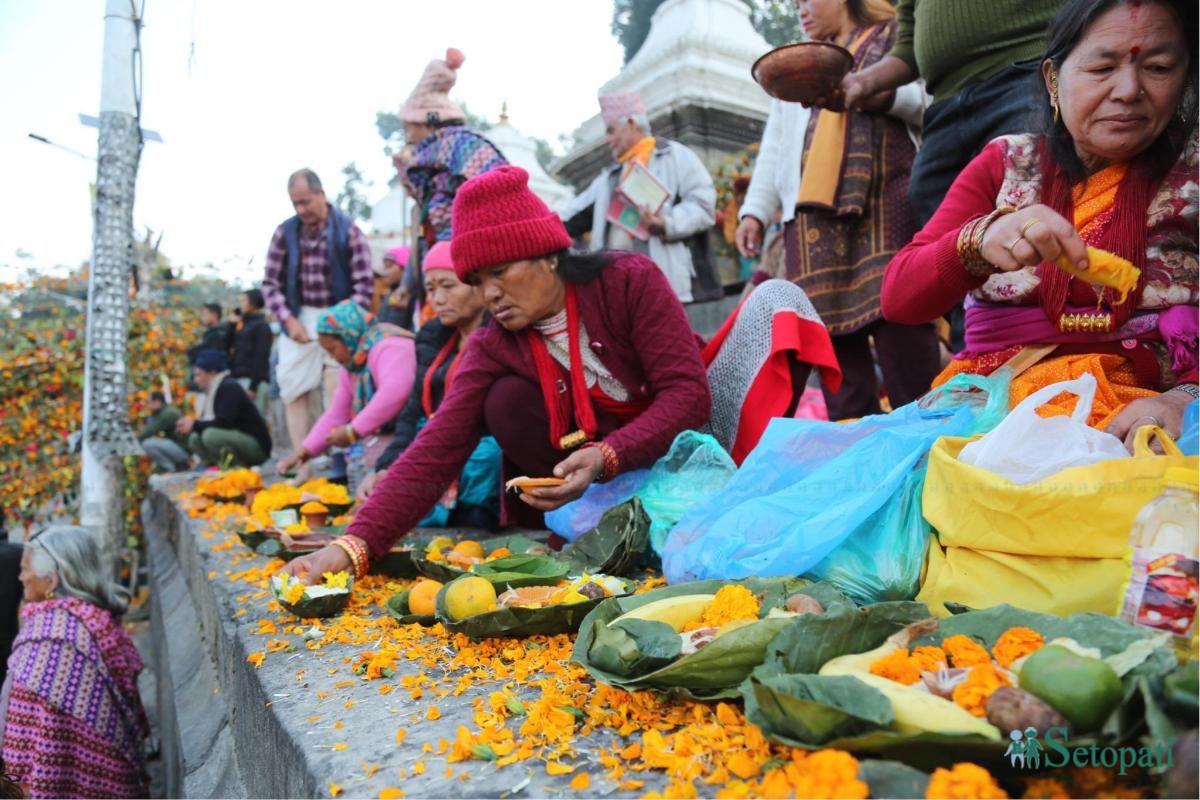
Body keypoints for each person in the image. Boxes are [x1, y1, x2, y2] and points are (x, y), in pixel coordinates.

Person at [281, 166, 839, 582]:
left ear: (548, 256)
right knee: (498, 399)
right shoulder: (493, 344)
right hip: (598, 477)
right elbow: (437, 447)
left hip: (688, 438)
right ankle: (610, 524)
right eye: (477, 279)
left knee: (773, 301)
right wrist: (353, 547)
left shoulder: (628, 281)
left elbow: (687, 395)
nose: (489, 292)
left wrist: (607, 455)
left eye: (500, 271)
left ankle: (687, 502)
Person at [882, 0, 1198, 446]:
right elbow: (899, 298)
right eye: (1102, 68)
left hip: (1147, 417)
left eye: (1159, 67)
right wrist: (977, 242)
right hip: (992, 413)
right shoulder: (1005, 162)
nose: (1128, 90)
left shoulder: (1193, 172)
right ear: (1053, 79)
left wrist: (1187, 399)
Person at [736, 0, 938, 419]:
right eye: (794, 5)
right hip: (812, 221)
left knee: (900, 318)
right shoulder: (797, 66)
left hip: (887, 197)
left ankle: (926, 437)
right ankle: (854, 450)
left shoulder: (895, 37)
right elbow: (775, 146)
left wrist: (871, 92)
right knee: (832, 344)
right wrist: (754, 212)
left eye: (807, 0)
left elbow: (928, 101)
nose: (801, 11)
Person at [357, 242, 502, 531]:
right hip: (432, 449)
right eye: (431, 289)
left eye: (448, 286)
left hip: (478, 463)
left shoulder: (501, 336)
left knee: (487, 453)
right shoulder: (433, 338)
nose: (437, 298)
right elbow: (412, 414)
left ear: (477, 284)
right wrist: (387, 466)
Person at [2, 526, 148, 798]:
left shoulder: (50, 638)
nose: (21, 577)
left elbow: (40, 734)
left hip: (66, 783)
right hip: (112, 780)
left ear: (52, 579)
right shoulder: (98, 620)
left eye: (25, 569)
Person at [261, 168, 374, 472]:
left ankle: (342, 463)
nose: (301, 210)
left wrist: (341, 323)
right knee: (292, 385)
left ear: (321, 194)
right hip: (299, 315)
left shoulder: (348, 230)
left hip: (339, 314)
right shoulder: (284, 233)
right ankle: (302, 464)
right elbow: (270, 284)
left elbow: (364, 285)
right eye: (295, 203)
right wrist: (288, 320)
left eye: (306, 202)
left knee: (338, 384)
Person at [558, 92, 718, 303]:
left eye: (611, 130)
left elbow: (704, 206)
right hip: (616, 290)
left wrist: (666, 223)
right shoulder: (609, 178)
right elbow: (571, 215)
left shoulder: (675, 156)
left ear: (632, 123)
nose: (607, 140)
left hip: (668, 286)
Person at [395, 48, 508, 329]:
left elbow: (502, 201)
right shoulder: (432, 169)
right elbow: (425, 237)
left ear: (429, 123)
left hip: (473, 279)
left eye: (411, 129)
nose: (409, 139)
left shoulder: (463, 147)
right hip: (444, 282)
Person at [275, 301, 416, 478]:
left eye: (332, 349)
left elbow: (395, 391)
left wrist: (353, 430)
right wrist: (304, 452)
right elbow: (337, 413)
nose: (332, 357)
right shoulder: (352, 366)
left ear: (349, 336)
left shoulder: (390, 346)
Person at [176, 349, 271, 467]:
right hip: (236, 438)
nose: (196, 379)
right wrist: (191, 425)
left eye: (199, 374)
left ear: (212, 372)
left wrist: (194, 424)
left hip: (255, 446)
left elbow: (224, 422)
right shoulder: (209, 392)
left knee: (210, 435)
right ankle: (215, 467)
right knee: (194, 437)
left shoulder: (228, 387)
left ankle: (236, 468)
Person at [230, 288, 273, 419]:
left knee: (254, 420)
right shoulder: (242, 325)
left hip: (253, 383)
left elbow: (261, 357)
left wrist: (253, 386)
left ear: (253, 303)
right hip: (239, 378)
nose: (240, 304)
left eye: (244, 300)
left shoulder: (262, 327)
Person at [138, 390, 191, 472]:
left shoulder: (168, 413)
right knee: (152, 442)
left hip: (184, 449)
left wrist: (135, 440)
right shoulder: (163, 411)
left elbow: (149, 431)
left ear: (157, 402)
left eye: (149, 402)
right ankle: (174, 466)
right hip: (178, 446)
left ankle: (169, 468)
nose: (147, 405)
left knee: (147, 444)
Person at [372, 246, 410, 324]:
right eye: (385, 267)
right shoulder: (390, 293)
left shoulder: (406, 296)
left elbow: (394, 325)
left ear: (404, 268)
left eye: (389, 267)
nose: (386, 272)